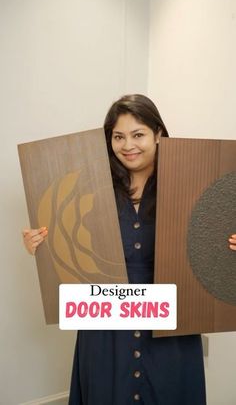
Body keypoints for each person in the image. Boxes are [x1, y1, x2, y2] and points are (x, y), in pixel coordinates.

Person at [23, 94, 236, 405]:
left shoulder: (191, 187)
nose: (128, 145)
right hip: (105, 328)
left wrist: (228, 247)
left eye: (138, 134)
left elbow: (211, 253)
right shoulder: (89, 188)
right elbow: (67, 250)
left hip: (171, 327)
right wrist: (39, 246)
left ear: (158, 134)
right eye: (118, 136)